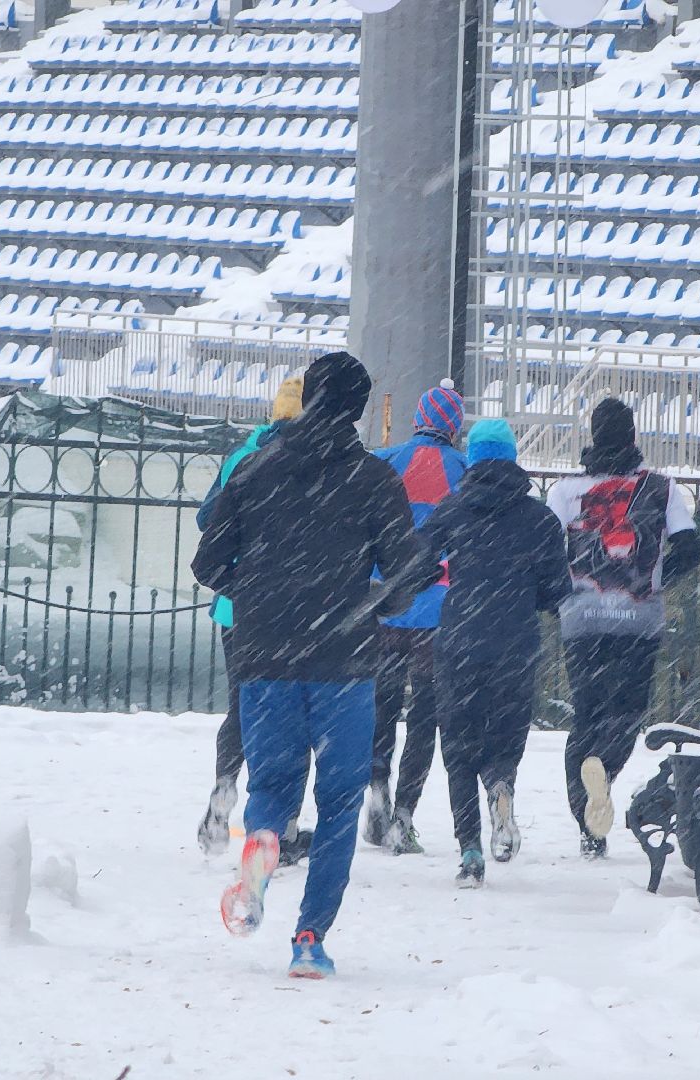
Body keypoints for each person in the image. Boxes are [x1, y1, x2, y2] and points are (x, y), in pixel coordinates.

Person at [192, 351, 439, 979]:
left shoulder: (253, 468)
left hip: (265, 656)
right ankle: (309, 940)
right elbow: (407, 571)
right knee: (338, 802)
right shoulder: (373, 478)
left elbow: (209, 563)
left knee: (272, 785)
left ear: (307, 398)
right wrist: (382, 596)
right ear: (357, 408)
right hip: (345, 661)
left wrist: (258, 591)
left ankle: (263, 846)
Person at [547, 398, 700, 859]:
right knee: (627, 715)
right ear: (633, 436)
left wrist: (563, 595)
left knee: (585, 715)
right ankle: (606, 769)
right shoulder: (660, 488)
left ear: (593, 437)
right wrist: (656, 581)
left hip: (583, 622)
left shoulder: (564, 491)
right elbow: (690, 549)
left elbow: (544, 551)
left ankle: (587, 821)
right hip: (639, 622)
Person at [420, 419, 572, 888]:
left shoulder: (453, 509)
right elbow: (556, 591)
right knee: (504, 736)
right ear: (511, 457)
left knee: (458, 749)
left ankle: (469, 850)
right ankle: (502, 783)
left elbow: (419, 560)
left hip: (460, 639)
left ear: (473, 457)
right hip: (515, 642)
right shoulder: (539, 518)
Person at [196, 376, 315, 863]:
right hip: (296, 607)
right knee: (295, 714)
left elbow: (208, 519)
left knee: (241, 704)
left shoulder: (241, 457)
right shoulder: (312, 464)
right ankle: (281, 826)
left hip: (236, 606)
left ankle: (225, 787)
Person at [363, 380, 469, 855]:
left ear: (418, 419)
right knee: (425, 717)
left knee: (381, 707)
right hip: (437, 612)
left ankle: (377, 784)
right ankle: (404, 816)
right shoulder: (464, 470)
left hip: (386, 609)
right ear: (455, 426)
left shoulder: (384, 462)